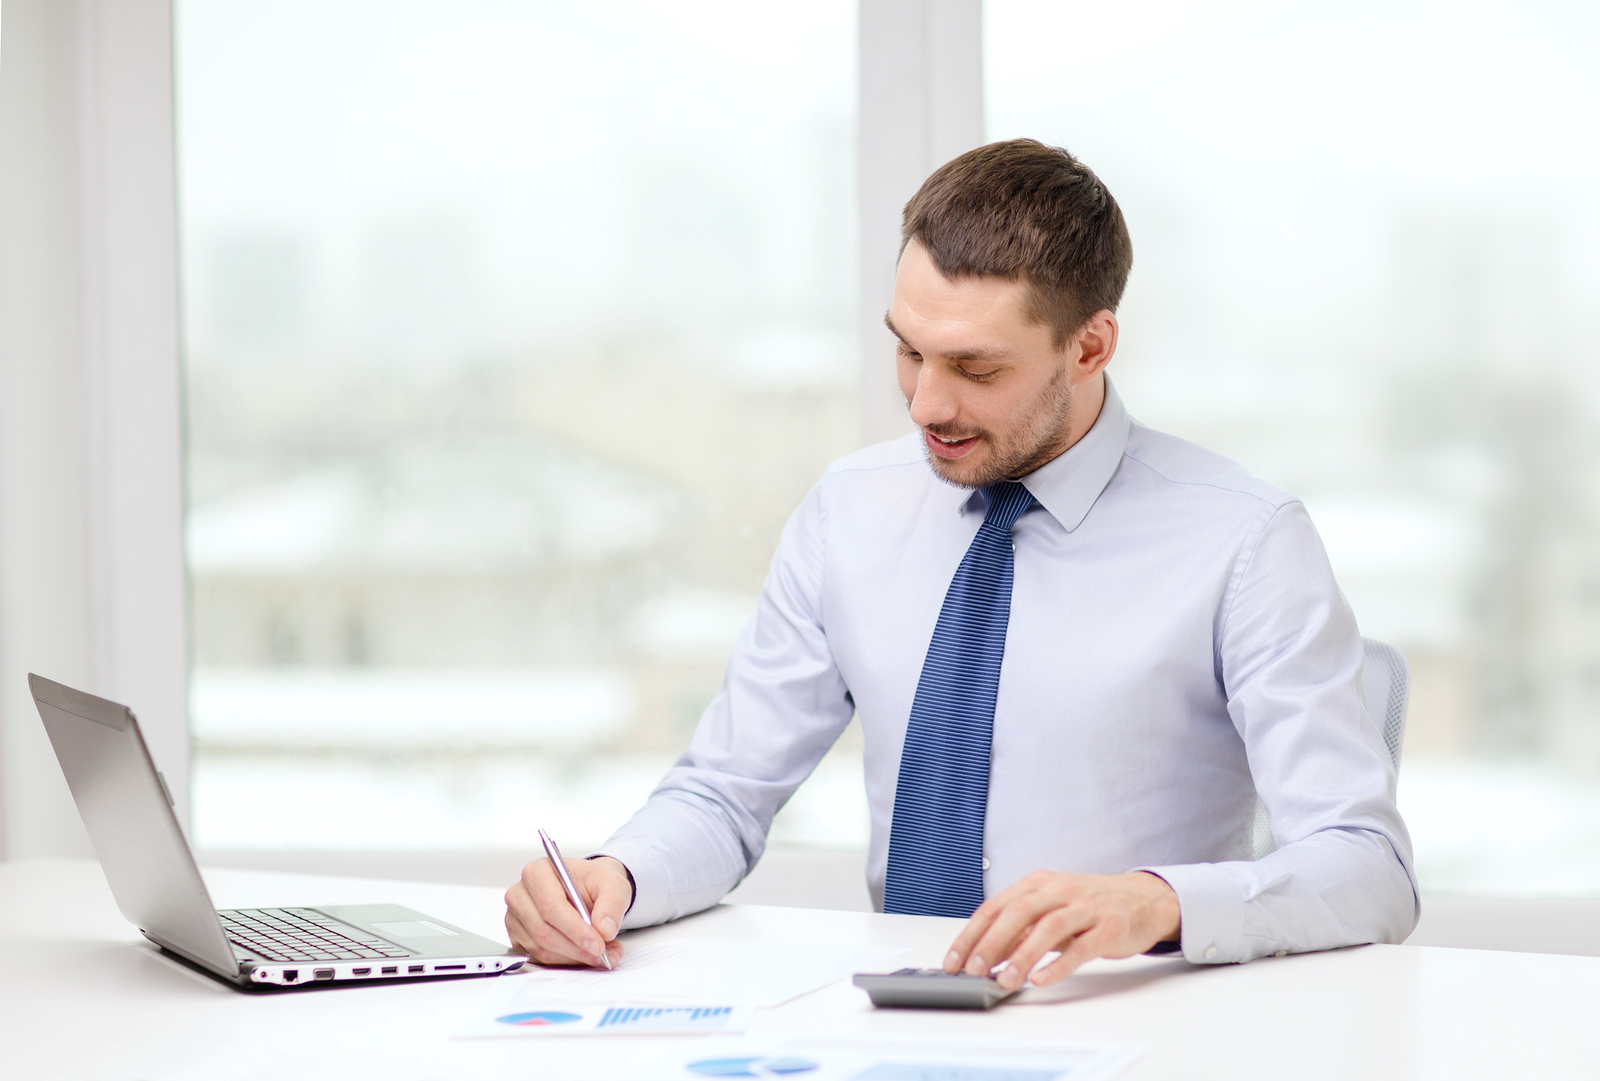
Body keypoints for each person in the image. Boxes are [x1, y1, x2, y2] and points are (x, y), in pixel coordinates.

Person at [504, 139, 1418, 990]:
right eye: (907, 349)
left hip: (1130, 1022)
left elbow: (1367, 867)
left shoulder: (1246, 542)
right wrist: (613, 876)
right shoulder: (850, 511)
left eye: (976, 368)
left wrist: (1156, 902)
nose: (925, 403)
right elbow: (724, 794)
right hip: (898, 1021)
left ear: (1090, 346)